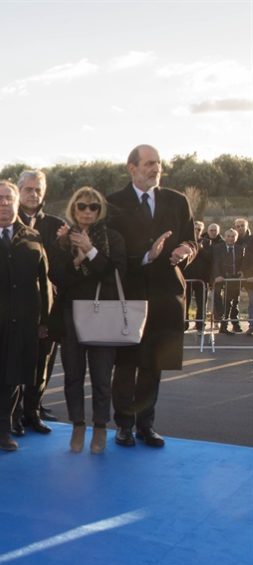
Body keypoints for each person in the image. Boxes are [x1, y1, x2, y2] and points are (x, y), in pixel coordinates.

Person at [107, 144, 196, 448]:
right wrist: (147, 255)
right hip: (129, 295)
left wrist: (187, 251)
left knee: (153, 366)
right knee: (126, 364)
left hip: (165, 295)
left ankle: (146, 424)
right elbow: (111, 252)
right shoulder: (113, 203)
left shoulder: (177, 201)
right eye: (148, 164)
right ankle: (123, 425)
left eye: (158, 163)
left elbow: (191, 240)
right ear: (132, 168)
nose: (155, 168)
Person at [47, 188, 127, 453]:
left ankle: (101, 428)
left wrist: (90, 251)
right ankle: (78, 426)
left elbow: (115, 272)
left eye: (93, 207)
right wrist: (76, 260)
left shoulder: (112, 238)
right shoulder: (61, 240)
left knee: (102, 376)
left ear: (100, 209)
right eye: (82, 206)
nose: (87, 211)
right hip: (71, 318)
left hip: (102, 314)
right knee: (73, 375)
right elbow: (57, 277)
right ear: (74, 208)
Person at [0, 181, 49, 452]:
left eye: (9, 198)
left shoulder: (32, 236)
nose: (4, 203)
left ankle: (1, 432)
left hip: (21, 323)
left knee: (11, 380)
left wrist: (45, 321)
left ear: (17, 203)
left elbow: (43, 280)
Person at [15, 169, 64, 432]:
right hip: (15, 308)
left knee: (43, 360)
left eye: (38, 190)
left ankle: (33, 411)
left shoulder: (56, 225)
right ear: (18, 190)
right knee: (14, 362)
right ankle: (14, 413)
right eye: (28, 189)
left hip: (47, 307)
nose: (33, 194)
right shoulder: (6, 220)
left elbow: (61, 267)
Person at [211, 228, 244, 334]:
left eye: (233, 236)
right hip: (221, 277)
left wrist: (242, 271)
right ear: (225, 237)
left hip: (234, 278)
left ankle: (235, 324)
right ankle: (223, 326)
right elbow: (215, 262)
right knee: (224, 303)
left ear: (236, 238)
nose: (230, 238)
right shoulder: (218, 248)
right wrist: (218, 275)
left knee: (234, 302)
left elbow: (243, 262)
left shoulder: (240, 249)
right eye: (228, 236)